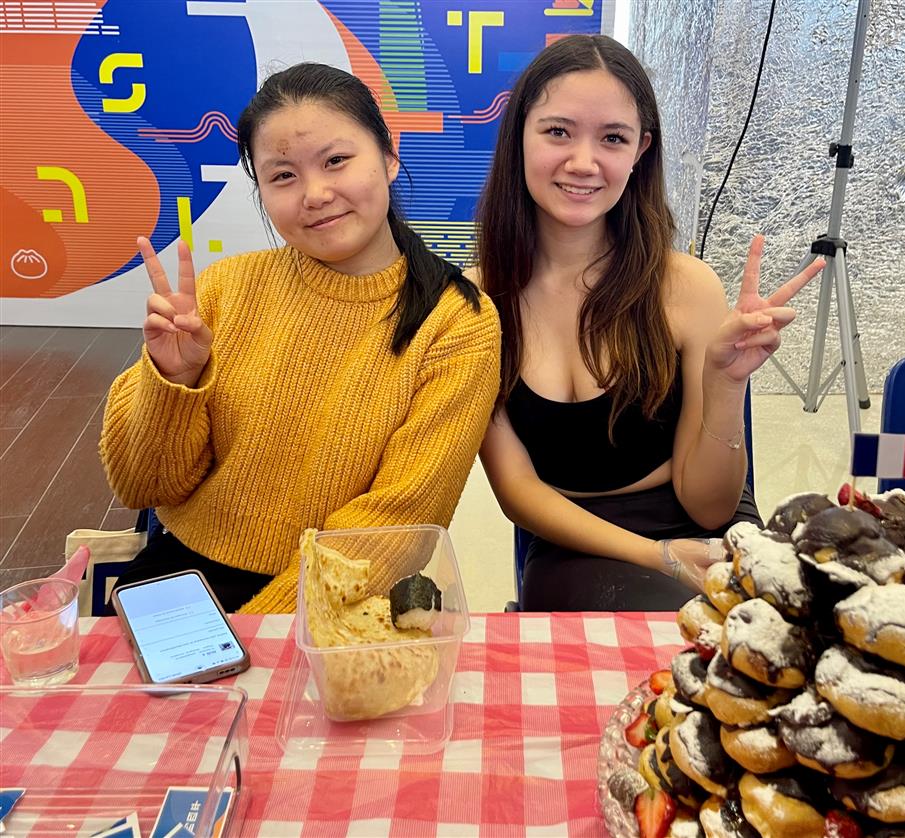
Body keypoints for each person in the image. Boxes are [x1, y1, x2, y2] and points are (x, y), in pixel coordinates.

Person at [100, 63, 500, 614]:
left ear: (388, 157)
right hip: (184, 577)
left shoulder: (456, 323)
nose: (315, 193)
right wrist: (174, 378)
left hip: (340, 600)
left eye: (337, 160)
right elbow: (142, 487)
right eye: (282, 175)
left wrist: (261, 632)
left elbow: (397, 522)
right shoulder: (225, 289)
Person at [473, 35, 823, 611]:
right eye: (558, 131)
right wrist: (658, 558)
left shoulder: (685, 287)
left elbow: (710, 509)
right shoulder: (480, 299)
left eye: (612, 138)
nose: (583, 162)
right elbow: (517, 491)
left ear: (640, 151)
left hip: (702, 522)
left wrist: (726, 384)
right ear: (519, 138)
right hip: (576, 540)